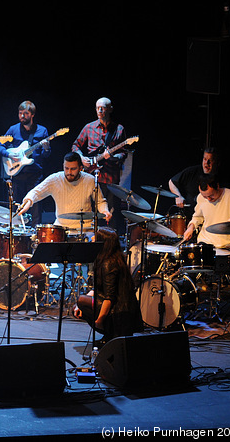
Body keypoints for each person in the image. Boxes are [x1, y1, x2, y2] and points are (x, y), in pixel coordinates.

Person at [73, 227, 142, 345]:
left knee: (81, 300)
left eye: (96, 237)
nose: (92, 239)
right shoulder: (114, 258)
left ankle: (111, 333)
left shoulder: (108, 264)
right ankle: (109, 334)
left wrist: (100, 319)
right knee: (79, 303)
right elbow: (100, 289)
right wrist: (78, 305)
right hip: (119, 307)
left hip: (119, 311)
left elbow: (109, 297)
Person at [16, 152, 111, 233]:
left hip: (85, 228)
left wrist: (104, 211)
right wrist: (28, 201)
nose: (69, 172)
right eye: (66, 168)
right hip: (61, 227)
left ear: (80, 168)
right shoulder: (55, 179)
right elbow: (36, 192)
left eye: (73, 169)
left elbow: (100, 201)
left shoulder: (90, 180)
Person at [71, 97, 128, 233]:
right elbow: (75, 145)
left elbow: (124, 153)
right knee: (89, 210)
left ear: (110, 109)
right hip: (91, 175)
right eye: (97, 108)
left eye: (103, 108)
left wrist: (113, 157)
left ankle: (110, 242)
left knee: (111, 212)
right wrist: (81, 158)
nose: (100, 110)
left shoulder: (119, 129)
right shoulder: (89, 127)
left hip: (110, 178)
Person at [0, 101, 51, 226]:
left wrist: (46, 148)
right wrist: (9, 154)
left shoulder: (42, 131)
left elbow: (46, 155)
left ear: (32, 115)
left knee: (35, 206)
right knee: (15, 206)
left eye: (26, 113)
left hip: (34, 174)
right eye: (20, 113)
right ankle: (15, 234)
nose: (22, 116)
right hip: (16, 174)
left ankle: (35, 236)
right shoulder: (13, 129)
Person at [182, 174, 230, 250]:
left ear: (217, 186)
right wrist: (191, 227)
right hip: (205, 242)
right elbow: (198, 217)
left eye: (211, 195)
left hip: (228, 244)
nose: (208, 199)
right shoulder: (200, 197)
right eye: (205, 197)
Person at [169, 147, 220, 213]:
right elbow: (172, 182)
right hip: (191, 215)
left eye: (211, 160)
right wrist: (178, 197)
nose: (206, 163)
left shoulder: (222, 177)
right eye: (205, 159)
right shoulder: (192, 171)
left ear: (217, 163)